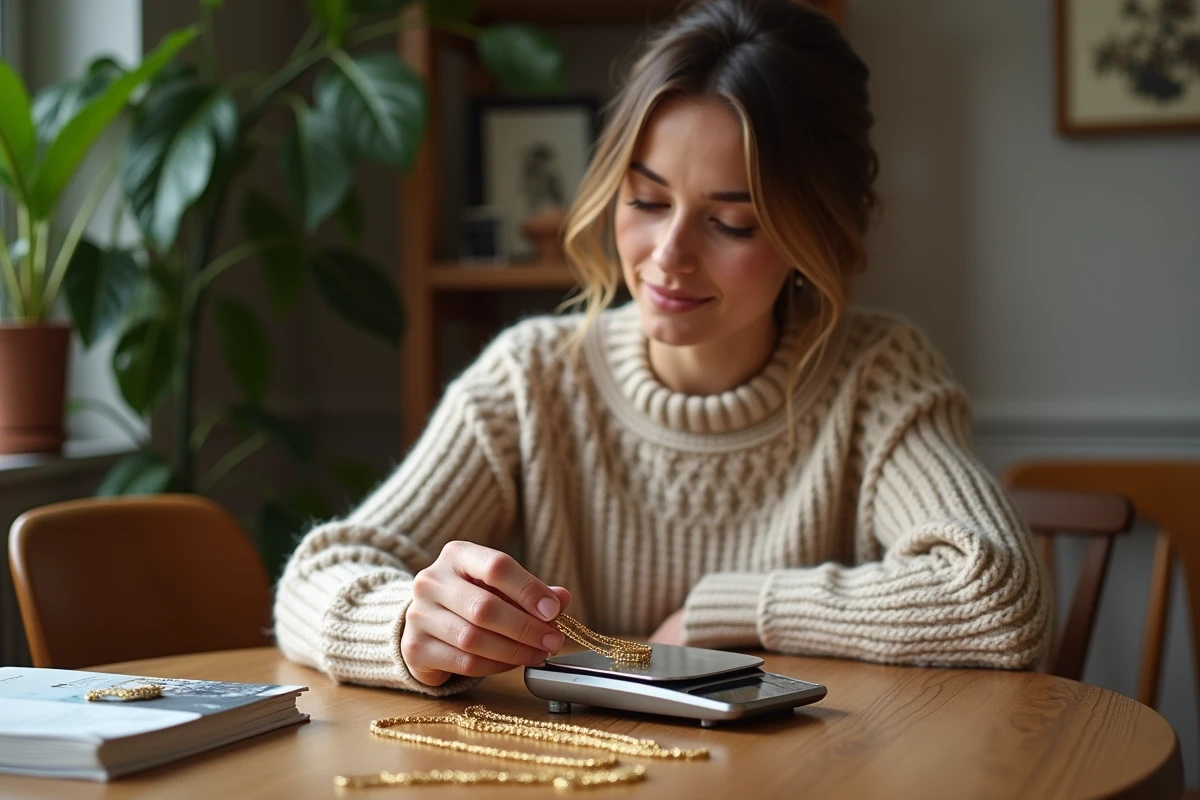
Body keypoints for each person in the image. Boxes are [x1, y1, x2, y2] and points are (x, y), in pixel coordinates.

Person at [273, 0, 1052, 696]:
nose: (667, 255)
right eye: (645, 200)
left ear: (813, 233)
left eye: (732, 222)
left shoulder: (876, 374)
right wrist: (410, 626)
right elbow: (315, 577)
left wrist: (731, 611)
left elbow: (1000, 596)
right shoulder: (532, 377)